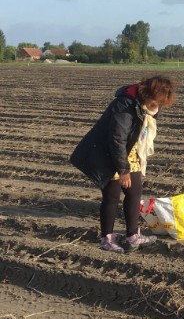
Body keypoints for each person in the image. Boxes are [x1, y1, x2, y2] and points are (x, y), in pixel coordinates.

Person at [70, 75, 177, 253]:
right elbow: (116, 139)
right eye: (155, 101)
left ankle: (132, 236)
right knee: (112, 196)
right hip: (107, 154)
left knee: (134, 193)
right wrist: (123, 171)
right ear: (148, 93)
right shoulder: (125, 104)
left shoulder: (148, 106)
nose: (157, 106)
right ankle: (107, 238)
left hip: (129, 152)